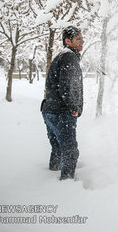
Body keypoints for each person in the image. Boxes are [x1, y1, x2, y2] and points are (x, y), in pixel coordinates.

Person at [41, 26, 84, 180]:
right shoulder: (69, 57)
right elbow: (67, 87)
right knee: (70, 150)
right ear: (68, 41)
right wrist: (74, 108)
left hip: (49, 111)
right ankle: (66, 185)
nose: (82, 41)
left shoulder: (61, 56)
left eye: (81, 38)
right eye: (78, 39)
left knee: (58, 148)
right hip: (61, 113)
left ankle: (52, 172)